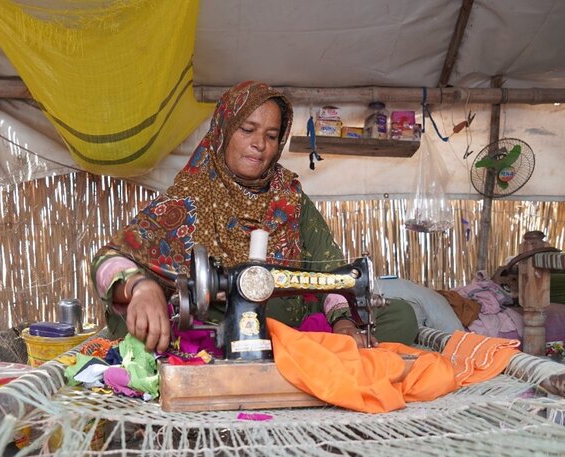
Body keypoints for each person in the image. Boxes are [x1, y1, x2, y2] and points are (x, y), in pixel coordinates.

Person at [92, 81, 417, 353]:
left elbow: (331, 272)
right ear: (223, 131)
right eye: (247, 129)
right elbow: (109, 259)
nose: (259, 144)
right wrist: (140, 288)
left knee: (400, 316)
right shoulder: (190, 198)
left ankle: (302, 359)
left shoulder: (289, 198)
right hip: (217, 335)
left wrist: (343, 321)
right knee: (136, 324)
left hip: (299, 332)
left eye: (272, 135)